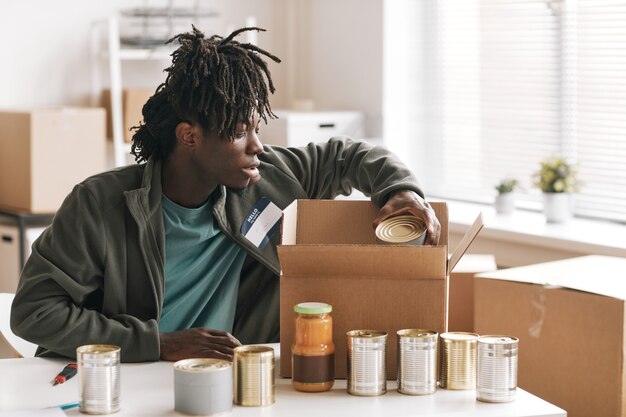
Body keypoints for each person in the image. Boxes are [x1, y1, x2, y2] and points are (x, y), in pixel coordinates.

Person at [10, 26, 440, 363]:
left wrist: (399, 188)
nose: (258, 146)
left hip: (234, 378)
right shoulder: (100, 204)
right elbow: (35, 313)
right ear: (189, 136)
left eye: (256, 129)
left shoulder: (268, 177)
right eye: (239, 133)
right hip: (126, 378)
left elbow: (347, 154)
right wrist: (158, 343)